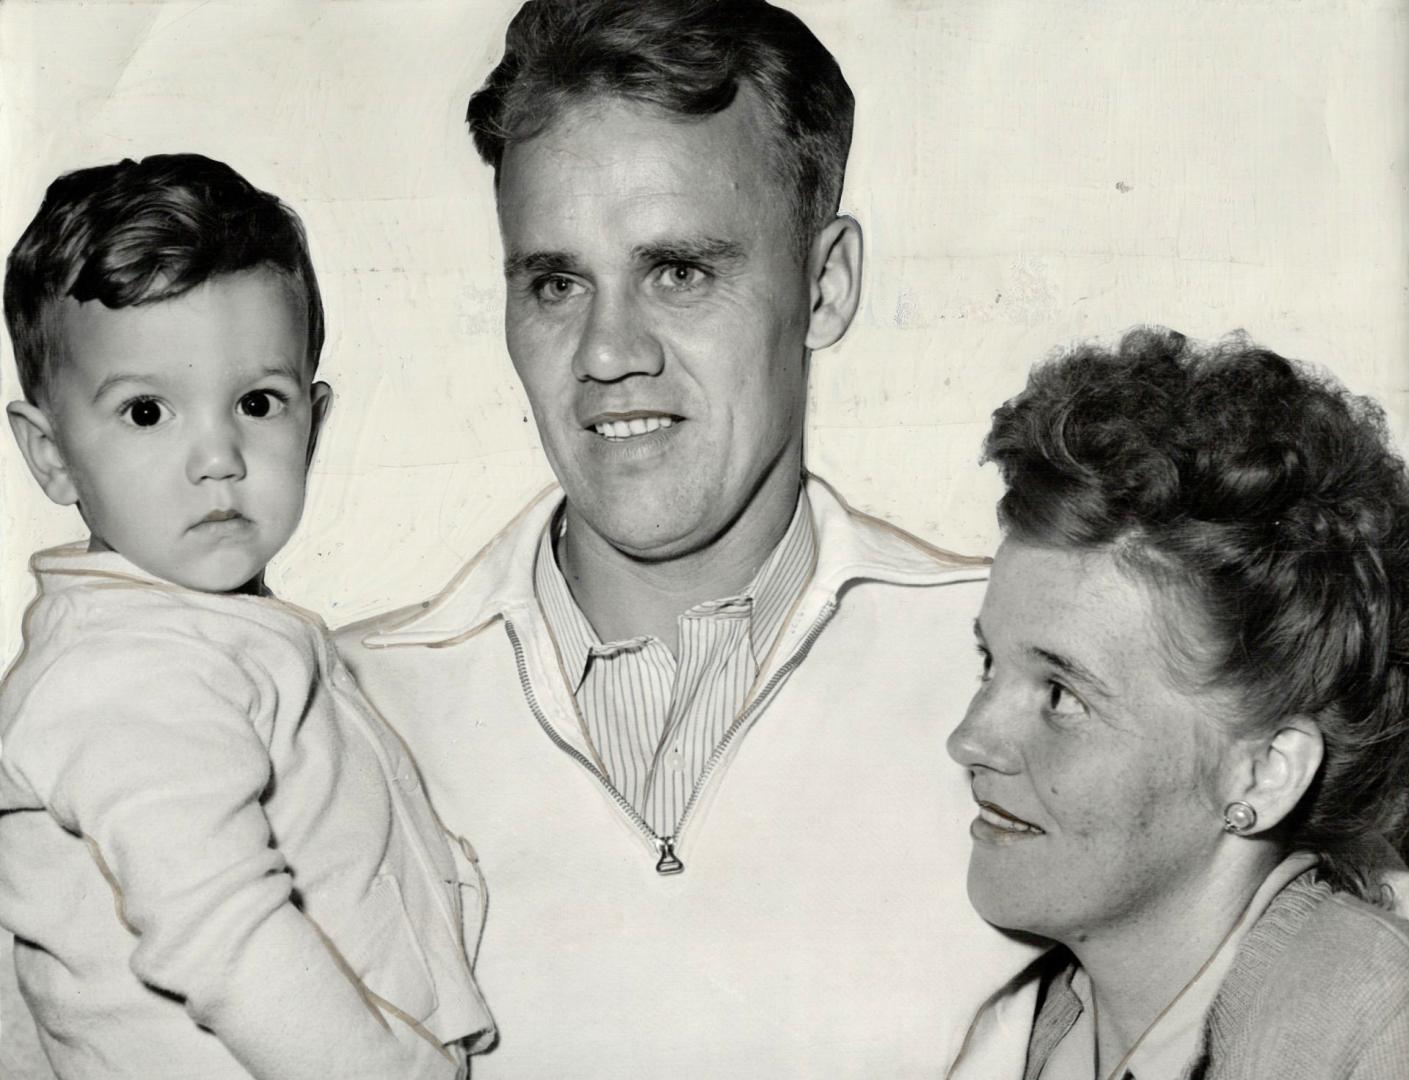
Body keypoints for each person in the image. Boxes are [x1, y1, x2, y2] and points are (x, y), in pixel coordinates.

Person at [337, 0, 1042, 1075]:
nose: (607, 352)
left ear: (825, 283)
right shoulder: (335, 710)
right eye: (555, 282)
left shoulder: (1021, 674)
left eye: (678, 272)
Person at [0, 154, 492, 1080]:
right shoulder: (121, 674)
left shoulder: (206, 632)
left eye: (257, 403)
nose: (218, 457)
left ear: (315, 421)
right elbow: (225, 934)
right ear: (51, 455)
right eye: (147, 411)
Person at [946, 328, 1409, 1078]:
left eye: (1061, 695)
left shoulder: (1376, 1031)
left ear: (1262, 774)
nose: (968, 739)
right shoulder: (1029, 1019)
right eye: (986, 664)